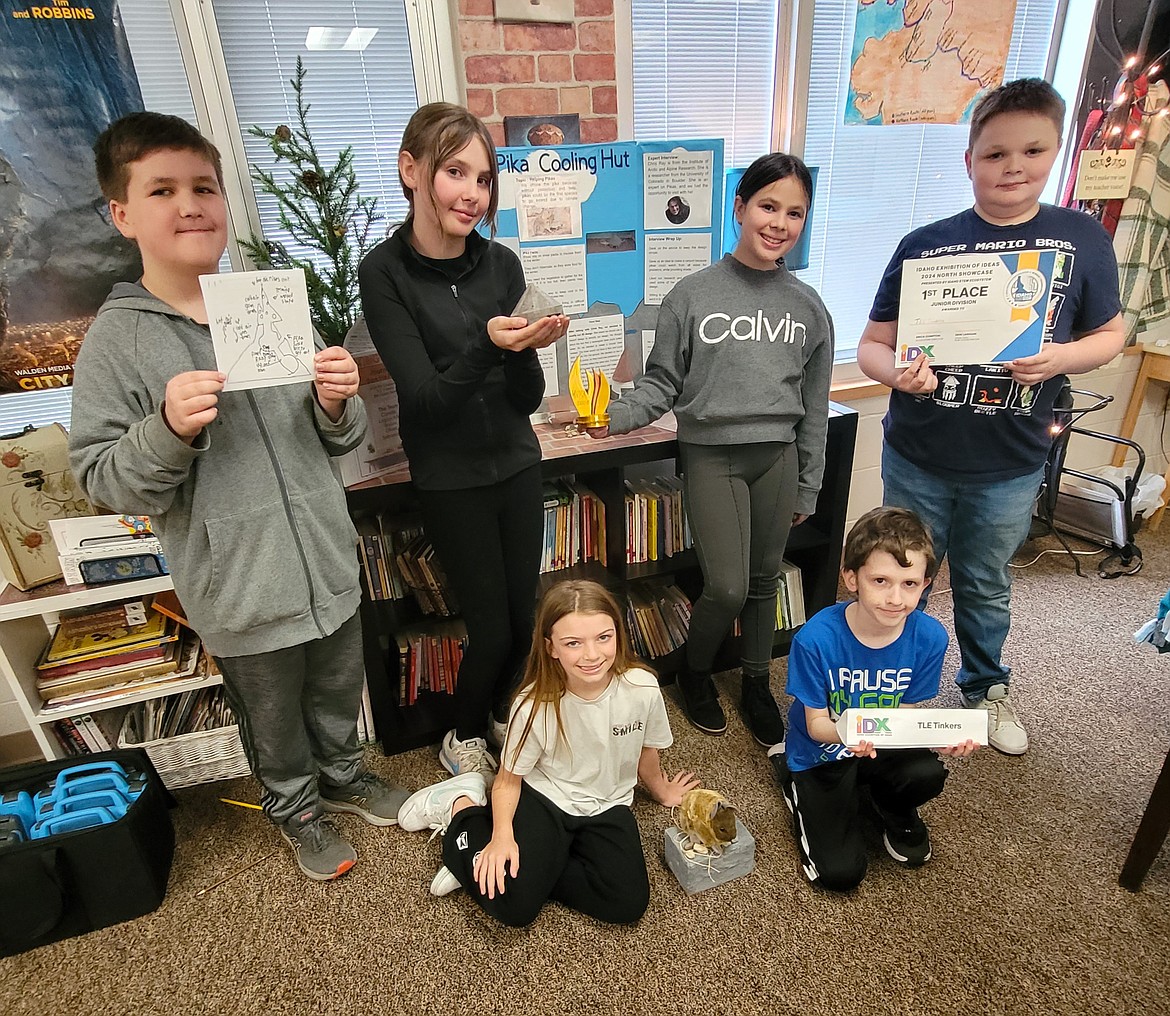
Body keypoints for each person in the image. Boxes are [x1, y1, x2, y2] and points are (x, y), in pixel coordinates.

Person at [69, 112, 409, 882]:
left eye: (204, 187)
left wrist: (336, 404)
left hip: (324, 561)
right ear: (122, 214)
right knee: (273, 719)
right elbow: (101, 479)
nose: (191, 204)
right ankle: (296, 811)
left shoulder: (265, 309)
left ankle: (347, 777)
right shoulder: (117, 340)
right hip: (239, 587)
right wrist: (166, 428)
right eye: (163, 189)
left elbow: (333, 440)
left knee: (334, 691)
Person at [857, 78, 1125, 755]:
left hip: (1010, 458)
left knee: (984, 581)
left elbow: (1112, 334)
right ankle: (886, 687)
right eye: (995, 154)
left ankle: (985, 688)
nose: (1013, 168)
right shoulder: (926, 244)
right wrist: (898, 374)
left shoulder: (1080, 238)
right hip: (919, 451)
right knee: (900, 577)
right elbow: (872, 345)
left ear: (1056, 154)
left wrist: (1061, 357)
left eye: (1032, 151)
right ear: (969, 160)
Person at [590, 153, 833, 748]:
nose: (779, 223)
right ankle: (694, 673)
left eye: (794, 213)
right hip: (712, 455)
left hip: (776, 457)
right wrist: (613, 416)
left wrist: (809, 483)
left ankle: (755, 682)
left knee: (762, 581)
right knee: (724, 587)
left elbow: (816, 406)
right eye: (768, 206)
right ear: (740, 208)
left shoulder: (808, 307)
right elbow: (661, 384)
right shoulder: (692, 295)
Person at [359, 103, 570, 782]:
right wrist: (489, 343)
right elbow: (426, 404)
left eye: (482, 178)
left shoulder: (501, 264)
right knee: (493, 627)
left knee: (524, 615)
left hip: (516, 465)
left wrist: (526, 350)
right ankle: (462, 732)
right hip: (451, 478)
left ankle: (500, 709)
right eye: (455, 171)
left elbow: (526, 401)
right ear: (410, 171)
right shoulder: (384, 273)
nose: (472, 193)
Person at [396, 579, 698, 925]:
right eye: (573, 643)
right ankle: (461, 808)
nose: (592, 655)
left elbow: (646, 749)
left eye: (604, 637)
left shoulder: (642, 687)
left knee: (627, 903)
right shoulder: (533, 705)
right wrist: (500, 838)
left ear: (618, 632)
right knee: (515, 908)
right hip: (545, 797)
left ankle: (520, 873)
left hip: (608, 803)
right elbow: (509, 781)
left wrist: (660, 790)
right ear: (551, 647)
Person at [773, 507, 979, 892]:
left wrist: (939, 739)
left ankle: (892, 805)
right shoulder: (815, 640)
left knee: (928, 773)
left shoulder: (930, 638)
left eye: (910, 584)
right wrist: (847, 736)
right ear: (851, 578)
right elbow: (816, 724)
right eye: (881, 580)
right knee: (840, 874)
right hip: (824, 750)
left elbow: (904, 717)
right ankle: (791, 776)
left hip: (881, 744)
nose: (895, 598)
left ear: (926, 584)